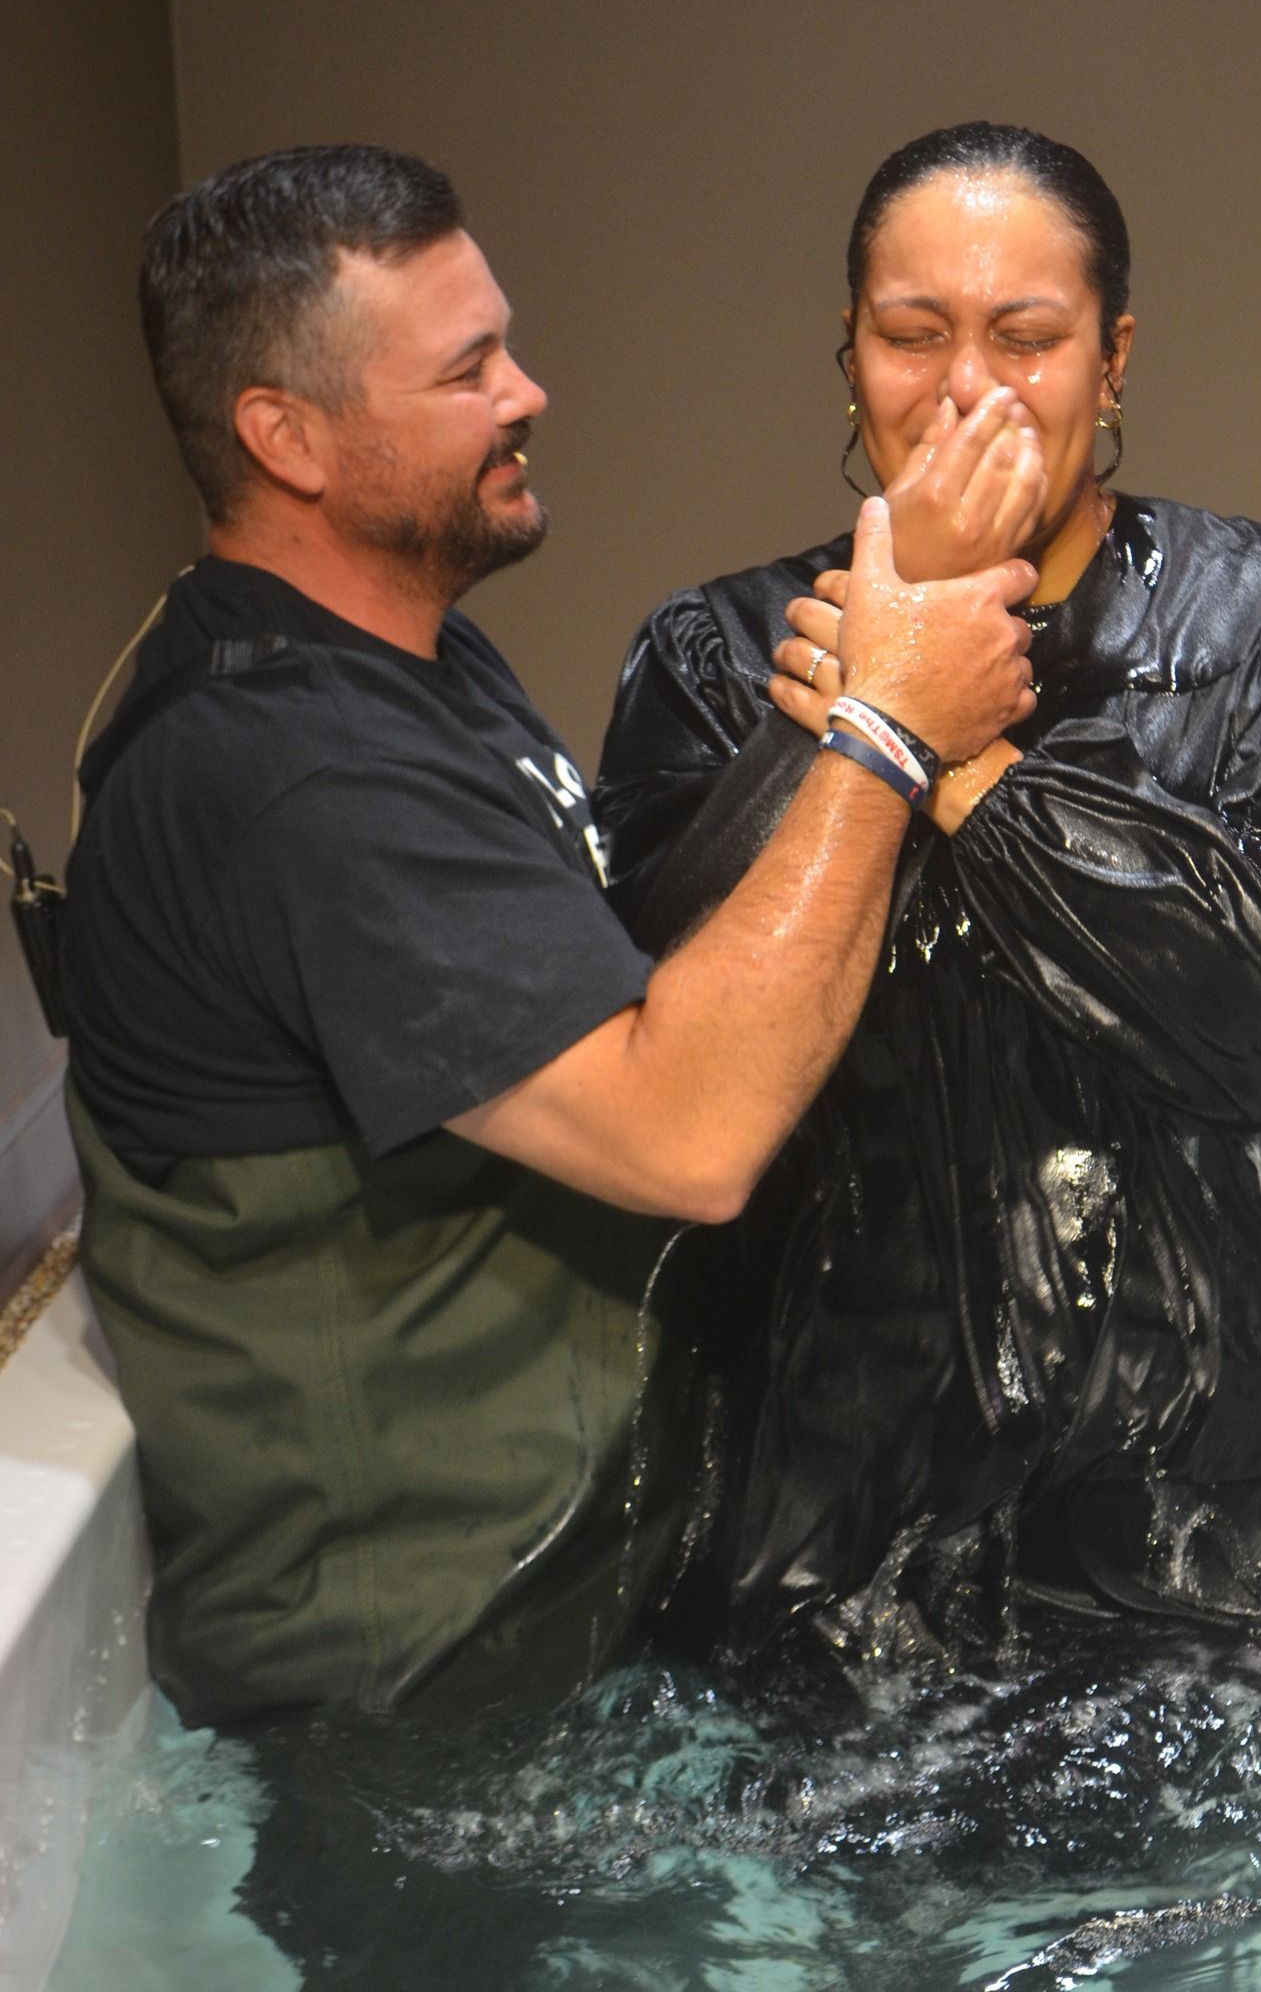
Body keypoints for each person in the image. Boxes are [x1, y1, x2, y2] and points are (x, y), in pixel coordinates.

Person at [59, 143, 1039, 1728]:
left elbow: (617, 980)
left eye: (504, 343)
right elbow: (690, 1133)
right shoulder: (293, 776)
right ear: (284, 437)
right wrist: (888, 737)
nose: (528, 392)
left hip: (587, 1604)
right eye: (467, 371)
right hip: (439, 1706)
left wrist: (869, 669)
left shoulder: (416, 670)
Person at [596, 121, 1261, 1665]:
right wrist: (870, 701)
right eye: (912, 336)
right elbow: (660, 1016)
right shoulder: (722, 661)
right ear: (848, 358)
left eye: (1025, 338)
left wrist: (937, 748)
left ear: (1112, 360)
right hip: (871, 1535)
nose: (968, 388)